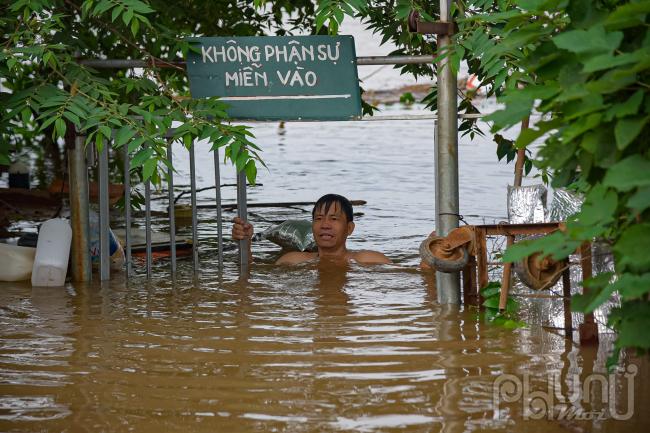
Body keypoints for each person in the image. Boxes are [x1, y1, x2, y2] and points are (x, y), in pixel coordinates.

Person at [232, 194, 392, 265]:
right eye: (319, 219)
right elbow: (250, 273)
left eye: (334, 219)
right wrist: (246, 245)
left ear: (349, 228)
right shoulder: (294, 260)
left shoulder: (368, 259)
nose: (325, 225)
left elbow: (411, 276)